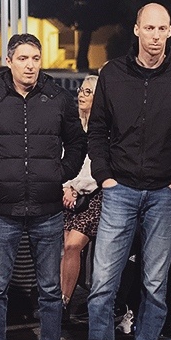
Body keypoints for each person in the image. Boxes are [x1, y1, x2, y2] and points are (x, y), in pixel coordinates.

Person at [62, 3, 171, 340]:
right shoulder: (113, 73)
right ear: (137, 30)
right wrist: (105, 177)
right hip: (119, 190)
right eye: (150, 28)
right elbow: (97, 131)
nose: (156, 35)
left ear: (170, 31)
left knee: (154, 287)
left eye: (162, 28)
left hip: (165, 193)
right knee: (102, 285)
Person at [0, 33, 87, 340]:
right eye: (23, 58)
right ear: (9, 61)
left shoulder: (58, 98)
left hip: (48, 208)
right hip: (3, 208)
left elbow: (78, 142)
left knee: (50, 288)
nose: (30, 65)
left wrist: (61, 172)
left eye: (35, 58)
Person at [60, 75, 100, 308]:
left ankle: (64, 301)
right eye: (80, 91)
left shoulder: (102, 128)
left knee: (72, 245)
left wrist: (75, 188)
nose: (81, 96)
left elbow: (95, 168)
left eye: (88, 92)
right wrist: (66, 186)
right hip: (69, 193)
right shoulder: (75, 124)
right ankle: (60, 300)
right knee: (65, 247)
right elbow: (66, 158)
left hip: (93, 197)